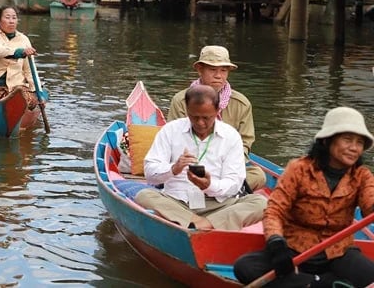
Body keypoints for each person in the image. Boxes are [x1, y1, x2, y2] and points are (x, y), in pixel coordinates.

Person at [234, 107, 374, 287]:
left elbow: (370, 206)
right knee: (245, 267)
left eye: (359, 143)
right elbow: (274, 211)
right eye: (347, 140)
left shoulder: (362, 176)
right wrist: (277, 243)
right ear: (328, 141)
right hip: (295, 250)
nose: (354, 148)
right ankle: (322, 284)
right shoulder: (299, 169)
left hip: (337, 252)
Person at [135, 85, 267, 231]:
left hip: (218, 204)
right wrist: (173, 168)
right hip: (178, 202)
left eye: (206, 118)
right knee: (144, 195)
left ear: (217, 112)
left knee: (261, 203)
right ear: (187, 110)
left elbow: (234, 184)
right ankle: (204, 222)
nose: (200, 123)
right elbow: (150, 174)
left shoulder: (231, 136)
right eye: (194, 117)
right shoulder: (170, 130)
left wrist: (209, 185)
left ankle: (201, 224)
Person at [167, 45, 265, 191]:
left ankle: (220, 189)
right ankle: (225, 192)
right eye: (213, 70)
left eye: (223, 70)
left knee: (258, 175)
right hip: (192, 167)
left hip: (227, 167)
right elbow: (174, 140)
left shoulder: (241, 103)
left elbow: (245, 143)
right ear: (200, 69)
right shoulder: (181, 100)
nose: (218, 75)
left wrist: (226, 166)